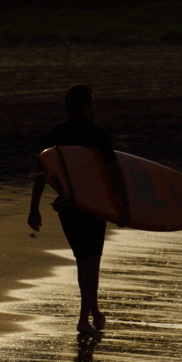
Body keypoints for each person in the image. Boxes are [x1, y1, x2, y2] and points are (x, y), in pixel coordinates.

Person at [28, 84, 130, 336]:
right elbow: (114, 171)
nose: (94, 108)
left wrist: (34, 209)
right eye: (92, 104)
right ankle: (83, 320)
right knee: (91, 263)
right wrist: (124, 204)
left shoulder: (55, 133)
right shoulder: (96, 135)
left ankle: (93, 313)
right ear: (85, 107)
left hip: (67, 206)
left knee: (82, 262)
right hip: (92, 206)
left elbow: (41, 173)